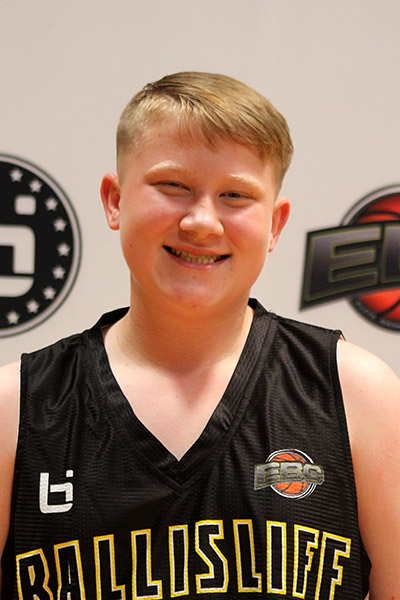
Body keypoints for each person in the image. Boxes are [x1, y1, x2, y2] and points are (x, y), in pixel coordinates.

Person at [0, 72, 399, 600]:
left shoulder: (357, 395)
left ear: (275, 224)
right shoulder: (17, 407)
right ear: (114, 200)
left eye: (236, 195)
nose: (203, 222)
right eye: (173, 186)